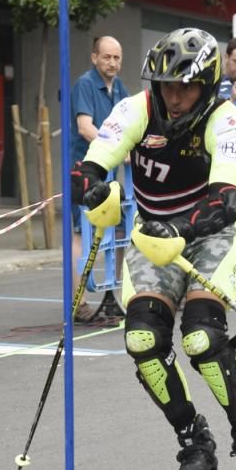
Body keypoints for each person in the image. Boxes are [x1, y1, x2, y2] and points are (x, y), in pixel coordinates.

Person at [71, 27, 236, 470]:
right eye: (165, 84)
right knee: (144, 338)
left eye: (184, 85)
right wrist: (92, 189)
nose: (173, 94)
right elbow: (89, 166)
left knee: (203, 338)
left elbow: (225, 200)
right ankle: (193, 440)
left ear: (206, 84)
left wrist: (180, 230)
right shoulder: (135, 110)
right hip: (152, 236)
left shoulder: (226, 119)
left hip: (212, 234)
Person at [69, 36, 129, 322]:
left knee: (120, 232)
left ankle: (113, 291)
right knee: (80, 233)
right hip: (84, 169)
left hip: (111, 173)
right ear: (94, 58)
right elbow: (85, 127)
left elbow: (132, 123)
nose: (112, 63)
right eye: (107, 57)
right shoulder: (85, 84)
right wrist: (118, 149)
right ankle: (77, 301)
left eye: (117, 57)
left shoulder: (120, 89)